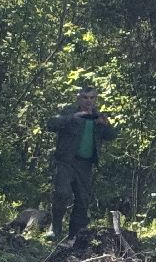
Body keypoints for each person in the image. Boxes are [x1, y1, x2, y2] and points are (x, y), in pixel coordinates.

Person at [46, 83, 116, 240]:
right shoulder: (69, 111)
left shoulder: (98, 116)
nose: (88, 101)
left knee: (82, 201)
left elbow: (111, 136)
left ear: (96, 99)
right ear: (78, 98)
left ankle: (75, 236)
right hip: (65, 161)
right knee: (62, 193)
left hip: (86, 165)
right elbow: (51, 124)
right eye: (85, 97)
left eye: (92, 98)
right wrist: (72, 118)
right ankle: (55, 229)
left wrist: (105, 124)